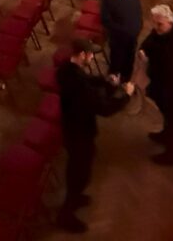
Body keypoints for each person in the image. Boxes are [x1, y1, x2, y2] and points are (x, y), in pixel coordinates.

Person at [56, 37, 134, 232]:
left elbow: (88, 81)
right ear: (83, 55)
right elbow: (104, 108)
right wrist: (126, 96)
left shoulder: (67, 70)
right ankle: (66, 215)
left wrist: (107, 82)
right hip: (79, 134)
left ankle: (76, 197)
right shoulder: (79, 86)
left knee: (81, 168)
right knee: (78, 173)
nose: (92, 57)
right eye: (90, 54)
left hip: (72, 128)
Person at [139, 4, 173, 165]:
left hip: (172, 90)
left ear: (170, 22)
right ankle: (165, 135)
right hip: (161, 86)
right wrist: (143, 50)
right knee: (166, 118)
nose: (155, 27)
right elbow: (149, 40)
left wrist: (149, 56)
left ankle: (172, 154)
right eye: (154, 23)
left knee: (172, 121)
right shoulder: (162, 30)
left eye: (159, 24)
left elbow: (164, 63)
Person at [100, 0, 142, 82]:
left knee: (129, 60)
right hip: (118, 40)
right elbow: (105, 20)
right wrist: (123, 32)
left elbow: (138, 10)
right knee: (116, 63)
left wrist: (139, 26)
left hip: (132, 38)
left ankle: (126, 80)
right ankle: (114, 83)